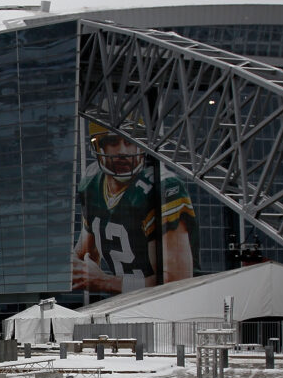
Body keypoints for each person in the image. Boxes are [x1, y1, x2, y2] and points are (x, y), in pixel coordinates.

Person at [72, 121, 198, 296]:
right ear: (98, 146)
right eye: (113, 142)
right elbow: (85, 252)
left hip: (172, 308)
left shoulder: (163, 186)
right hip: (124, 305)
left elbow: (177, 282)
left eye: (130, 141)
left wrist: (105, 282)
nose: (124, 151)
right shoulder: (92, 181)